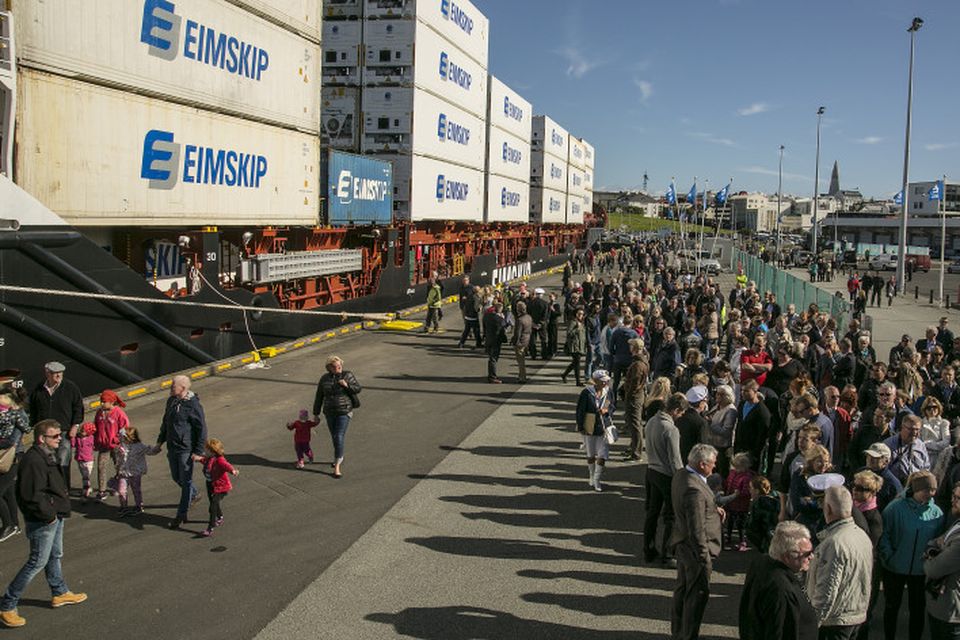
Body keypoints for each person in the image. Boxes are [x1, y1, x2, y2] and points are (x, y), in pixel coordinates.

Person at [0, 419, 87, 628]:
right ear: (41, 438)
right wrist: (48, 515)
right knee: (37, 561)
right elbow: (30, 495)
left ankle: (59, 592)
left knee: (54, 555)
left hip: (53, 515)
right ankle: (7, 604)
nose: (60, 439)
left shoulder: (45, 454)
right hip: (44, 520)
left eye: (60, 435)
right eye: (55, 436)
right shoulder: (34, 460)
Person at [878, 470, 945, 640]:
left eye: (933, 490)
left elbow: (939, 541)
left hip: (920, 571)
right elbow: (883, 534)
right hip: (895, 568)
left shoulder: (937, 513)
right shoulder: (895, 509)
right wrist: (889, 557)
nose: (930, 494)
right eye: (926, 490)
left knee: (917, 610)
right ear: (916, 490)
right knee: (892, 607)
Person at [669, 443, 723, 640]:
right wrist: (703, 556)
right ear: (702, 464)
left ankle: (678, 632)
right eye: (712, 464)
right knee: (695, 598)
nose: (714, 467)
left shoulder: (682, 474)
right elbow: (696, 528)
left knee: (682, 591)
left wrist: (713, 510)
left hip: (682, 543)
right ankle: (688, 635)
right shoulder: (695, 490)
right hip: (695, 551)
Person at [806, 486, 873, 639]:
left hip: (835, 622)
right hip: (856, 614)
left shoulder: (834, 544)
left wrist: (810, 626)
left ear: (828, 509)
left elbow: (827, 592)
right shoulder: (861, 534)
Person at [739, 520, 818, 640]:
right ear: (787, 556)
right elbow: (779, 633)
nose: (811, 557)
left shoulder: (762, 562)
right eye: (807, 554)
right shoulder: (780, 590)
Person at [157, 375, 208, 529]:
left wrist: (198, 451)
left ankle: (181, 515)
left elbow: (201, 429)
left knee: (185, 481)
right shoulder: (171, 401)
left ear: (183, 388)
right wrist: (160, 442)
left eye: (173, 386)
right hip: (172, 446)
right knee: (176, 477)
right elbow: (165, 423)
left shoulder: (193, 406)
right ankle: (193, 494)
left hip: (186, 449)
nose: (170, 388)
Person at [643, 392, 688, 565]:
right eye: (681, 412)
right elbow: (675, 460)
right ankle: (668, 554)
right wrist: (682, 480)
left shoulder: (652, 421)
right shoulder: (671, 429)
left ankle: (648, 549)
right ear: (675, 410)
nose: (681, 416)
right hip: (667, 476)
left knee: (652, 514)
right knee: (671, 516)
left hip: (651, 471)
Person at [28, 362, 83, 493]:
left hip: (63, 432)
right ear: (47, 373)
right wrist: (34, 426)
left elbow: (78, 407)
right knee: (45, 460)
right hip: (44, 433)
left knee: (63, 461)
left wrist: (75, 426)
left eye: (60, 373)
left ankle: (63, 489)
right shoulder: (39, 388)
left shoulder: (70, 387)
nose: (58, 375)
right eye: (55, 373)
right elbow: (33, 408)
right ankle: (48, 487)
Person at [312, 356, 361, 480]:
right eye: (334, 366)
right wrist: (316, 414)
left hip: (344, 410)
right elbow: (319, 396)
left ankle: (337, 465)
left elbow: (358, 388)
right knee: (334, 436)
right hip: (329, 412)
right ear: (329, 368)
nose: (338, 368)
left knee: (339, 435)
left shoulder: (347, 375)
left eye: (339, 366)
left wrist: (346, 385)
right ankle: (338, 456)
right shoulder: (324, 379)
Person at [923, 482, 960, 639]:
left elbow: (933, 569)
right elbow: (934, 543)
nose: (953, 500)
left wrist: (928, 557)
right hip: (942, 607)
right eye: (953, 496)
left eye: (958, 498)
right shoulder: (957, 524)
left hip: (950, 612)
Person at [852, 470, 884, 640]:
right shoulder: (851, 507)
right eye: (854, 486)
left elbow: (868, 547)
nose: (855, 491)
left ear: (872, 493)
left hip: (867, 570)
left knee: (864, 614)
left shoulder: (874, 518)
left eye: (862, 488)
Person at [575, 370, 613, 492]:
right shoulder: (586, 393)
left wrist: (607, 410)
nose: (606, 383)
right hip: (590, 425)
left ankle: (597, 479)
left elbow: (613, 405)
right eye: (603, 381)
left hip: (603, 426)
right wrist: (580, 427)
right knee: (591, 454)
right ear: (595, 381)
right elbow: (580, 411)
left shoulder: (608, 391)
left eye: (607, 381)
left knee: (602, 455)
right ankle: (591, 475)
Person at [193, 438, 239, 538]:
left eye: (207, 450)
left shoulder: (220, 460)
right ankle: (220, 517)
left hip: (221, 487)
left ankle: (210, 528)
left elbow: (227, 466)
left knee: (212, 506)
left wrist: (233, 471)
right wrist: (198, 459)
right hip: (210, 484)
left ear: (213, 451)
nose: (205, 451)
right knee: (213, 502)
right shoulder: (209, 458)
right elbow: (204, 461)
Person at [0, 386, 29, 542]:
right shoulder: (10, 414)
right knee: (8, 491)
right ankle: (14, 524)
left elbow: (13, 441)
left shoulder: (19, 416)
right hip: (9, 457)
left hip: (12, 457)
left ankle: (8, 525)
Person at [114, 427, 161, 516]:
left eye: (122, 437)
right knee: (121, 491)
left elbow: (149, 451)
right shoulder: (120, 448)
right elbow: (118, 460)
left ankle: (139, 506)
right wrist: (117, 470)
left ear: (129, 437)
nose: (120, 439)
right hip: (123, 473)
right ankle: (124, 507)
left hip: (135, 473)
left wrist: (157, 448)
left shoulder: (139, 446)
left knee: (136, 490)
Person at [93, 389, 129, 501]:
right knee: (101, 466)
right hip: (103, 445)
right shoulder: (99, 413)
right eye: (101, 401)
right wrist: (95, 441)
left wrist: (118, 439)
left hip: (116, 445)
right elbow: (96, 427)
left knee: (119, 466)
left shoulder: (118, 413)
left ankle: (119, 486)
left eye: (104, 401)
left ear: (112, 402)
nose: (102, 404)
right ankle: (102, 491)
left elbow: (126, 427)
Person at [735, 379, 772, 473]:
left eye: (746, 391)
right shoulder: (742, 404)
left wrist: (755, 453)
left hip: (751, 450)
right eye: (742, 390)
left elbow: (762, 434)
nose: (743, 393)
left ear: (755, 391)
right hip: (740, 447)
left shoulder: (762, 411)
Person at [621, 338, 649, 461]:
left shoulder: (638, 364)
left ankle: (636, 453)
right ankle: (633, 448)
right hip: (637, 395)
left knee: (635, 425)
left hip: (634, 397)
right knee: (634, 424)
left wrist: (628, 392)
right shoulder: (640, 361)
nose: (629, 347)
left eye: (631, 345)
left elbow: (635, 383)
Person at [883, 415, 930, 484]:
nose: (914, 433)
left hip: (915, 486)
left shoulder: (921, 445)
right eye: (911, 429)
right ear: (902, 427)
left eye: (917, 429)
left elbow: (926, 467)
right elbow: (883, 469)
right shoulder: (888, 445)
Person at [745, 475, 780, 554]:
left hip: (764, 535)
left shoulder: (758, 503)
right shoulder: (776, 499)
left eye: (751, 488)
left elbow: (753, 524)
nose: (749, 490)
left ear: (757, 491)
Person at [482, 301, 507, 384]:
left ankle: (491, 375)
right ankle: (492, 377)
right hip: (495, 340)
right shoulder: (499, 319)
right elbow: (504, 327)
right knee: (493, 359)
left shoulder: (486, 316)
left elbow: (484, 327)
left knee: (491, 358)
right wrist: (502, 318)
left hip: (488, 339)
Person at [561, 308, 587, 386]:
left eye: (582, 314)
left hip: (580, 345)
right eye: (579, 314)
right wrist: (577, 329)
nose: (581, 316)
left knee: (575, 363)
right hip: (574, 346)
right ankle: (578, 381)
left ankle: (564, 374)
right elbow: (569, 333)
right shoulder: (573, 322)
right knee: (577, 363)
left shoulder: (581, 322)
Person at [70, 423, 95, 502]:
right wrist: (72, 437)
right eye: (80, 430)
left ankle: (85, 491)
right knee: (83, 474)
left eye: (83, 431)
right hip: (80, 459)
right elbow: (73, 445)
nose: (81, 432)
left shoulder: (91, 438)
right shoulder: (78, 437)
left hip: (88, 460)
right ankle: (88, 487)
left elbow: (94, 445)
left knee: (86, 475)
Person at [512, 301, 533, 384]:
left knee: (520, 361)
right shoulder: (529, 317)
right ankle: (521, 375)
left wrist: (515, 342)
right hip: (527, 339)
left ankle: (522, 377)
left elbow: (517, 333)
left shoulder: (520, 320)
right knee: (522, 359)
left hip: (521, 341)